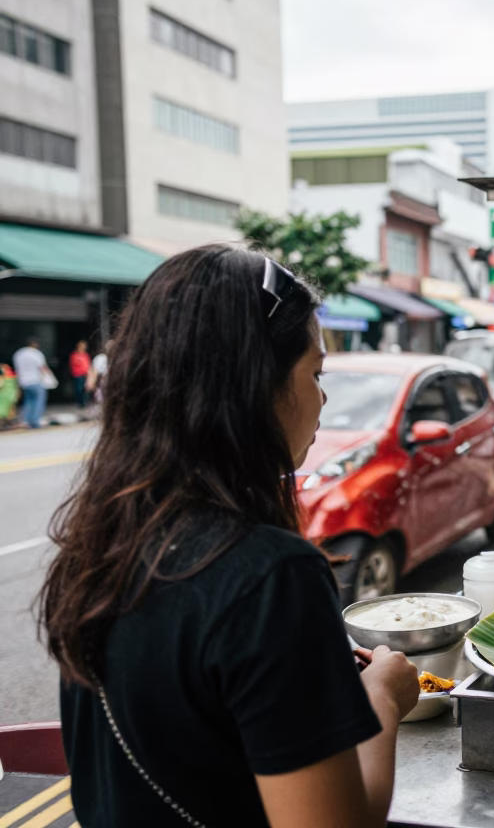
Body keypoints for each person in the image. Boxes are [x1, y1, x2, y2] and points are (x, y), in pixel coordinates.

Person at [40, 245, 423, 827]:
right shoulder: (271, 576)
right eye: (315, 374)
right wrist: (384, 699)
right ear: (255, 385)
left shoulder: (98, 547)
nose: (323, 399)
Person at [13, 338, 52, 429]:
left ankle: (26, 420)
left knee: (28, 401)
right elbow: (42, 368)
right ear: (35, 344)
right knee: (38, 401)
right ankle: (35, 421)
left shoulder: (19, 353)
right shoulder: (36, 353)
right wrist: (49, 379)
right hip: (35, 380)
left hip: (23, 381)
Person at [69, 340, 91, 408]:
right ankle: (80, 402)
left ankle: (84, 402)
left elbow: (88, 364)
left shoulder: (86, 355)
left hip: (86, 374)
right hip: (78, 374)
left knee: (85, 389)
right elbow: (72, 364)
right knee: (78, 389)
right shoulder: (74, 355)